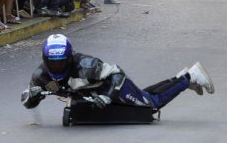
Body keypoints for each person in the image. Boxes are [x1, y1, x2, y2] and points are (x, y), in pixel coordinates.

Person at [21, 34, 215, 111]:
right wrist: (34, 96)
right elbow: (28, 103)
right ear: (46, 60)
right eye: (52, 63)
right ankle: (181, 78)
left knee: (151, 105)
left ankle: (191, 76)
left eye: (61, 62)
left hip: (114, 87)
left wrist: (108, 96)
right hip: (93, 95)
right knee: (146, 95)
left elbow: (117, 73)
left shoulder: (88, 65)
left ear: (69, 57)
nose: (56, 67)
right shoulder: (41, 75)